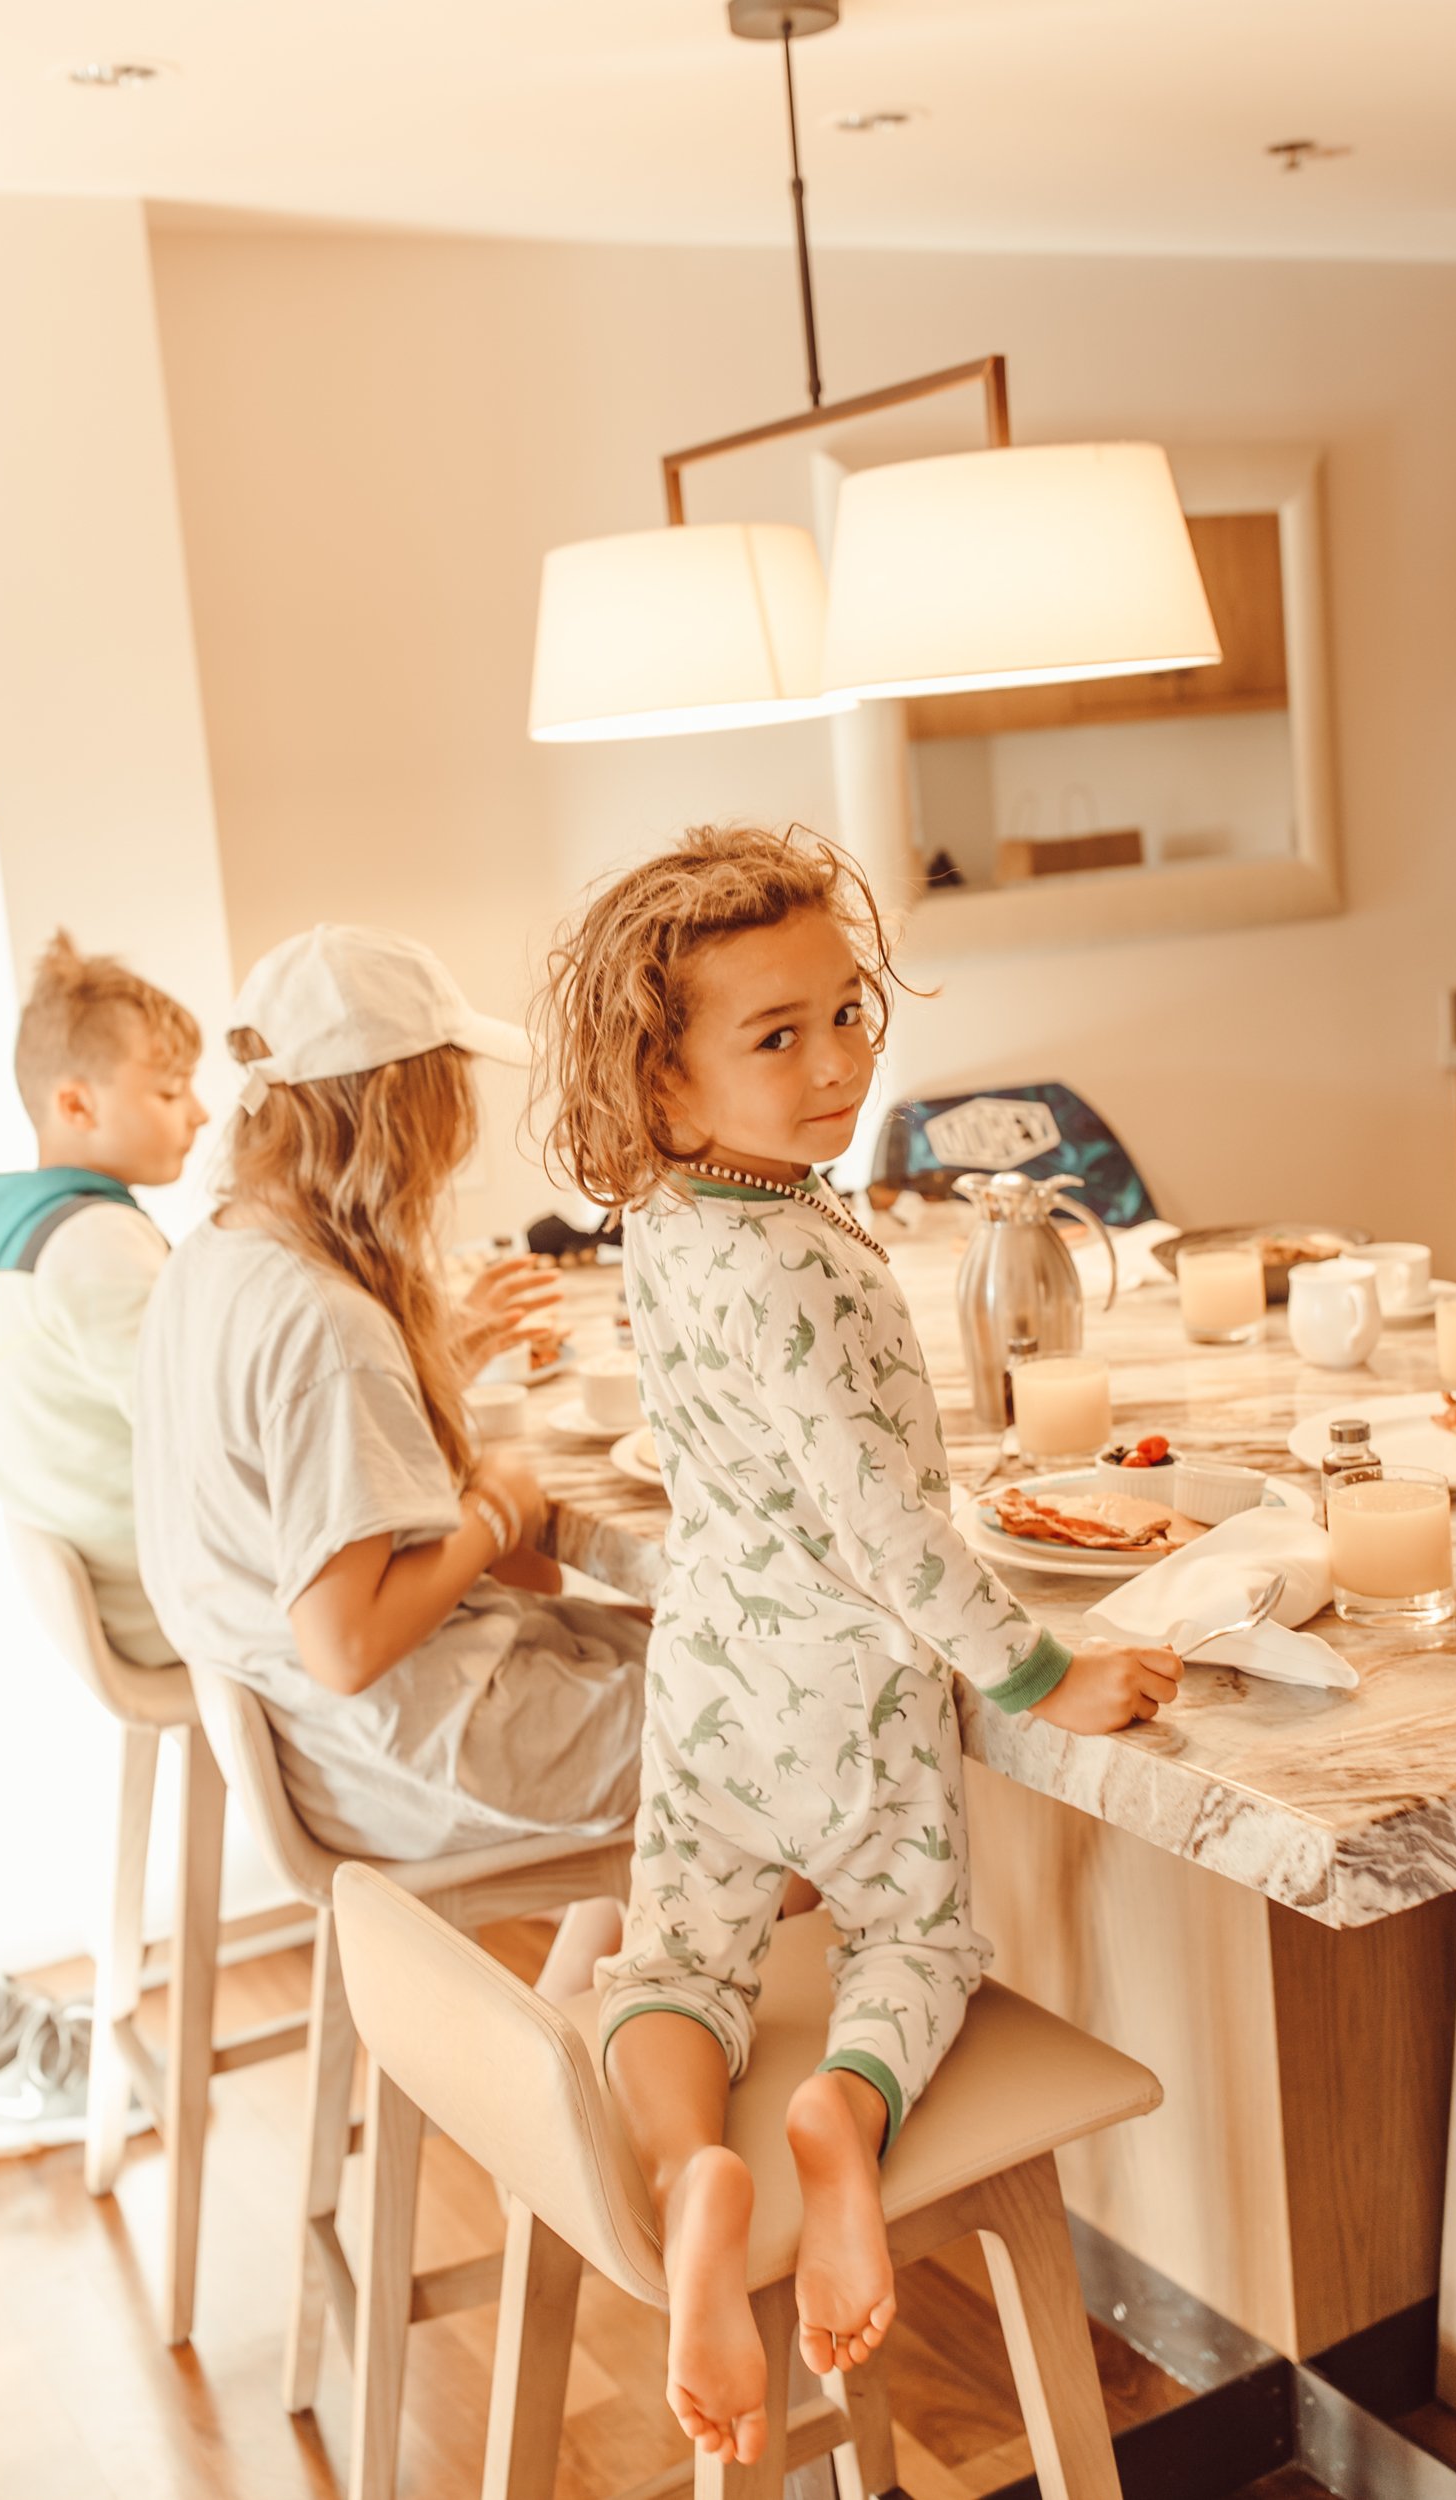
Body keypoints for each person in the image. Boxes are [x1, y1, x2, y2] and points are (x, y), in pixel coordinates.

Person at [536, 826, 1183, 2464]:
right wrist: (1044, 1676)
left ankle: (693, 2174)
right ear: (667, 1085)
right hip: (846, 1689)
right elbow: (898, 1540)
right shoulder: (803, 1271)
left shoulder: (671, 1219)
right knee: (916, 1941)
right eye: (778, 1037)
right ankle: (842, 2113)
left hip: (710, 1673)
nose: (837, 1063)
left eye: (848, 1012)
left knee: (674, 1961)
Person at [133, 926, 648, 1990]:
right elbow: (348, 1641)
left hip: (327, 1747)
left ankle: (557, 2075)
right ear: (399, 1108)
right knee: (778, 1719)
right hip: (410, 1745)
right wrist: (498, 1509)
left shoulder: (216, 1255)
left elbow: (287, 1443)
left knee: (697, 1658)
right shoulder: (328, 1326)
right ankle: (573, 2094)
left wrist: (436, 1356)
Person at [0, 931, 207, 1665]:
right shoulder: (97, 1241)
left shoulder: (19, 1235)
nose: (201, 1113)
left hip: (119, 1590)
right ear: (75, 1103)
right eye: (170, 1090)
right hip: (170, 1603)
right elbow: (204, 1432)